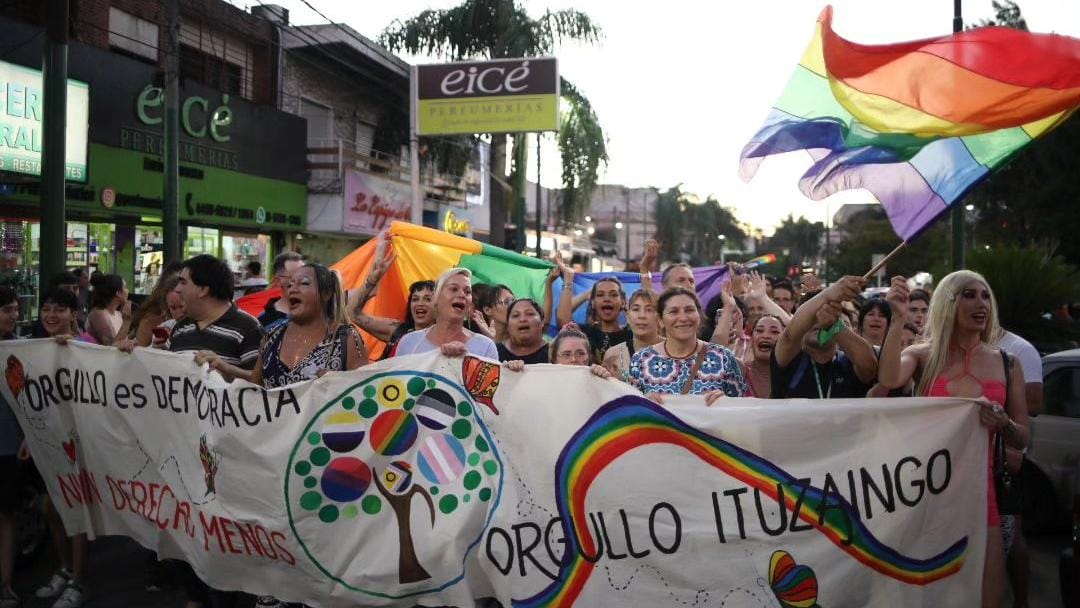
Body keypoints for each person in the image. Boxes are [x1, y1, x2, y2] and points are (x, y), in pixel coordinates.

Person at [877, 272, 1029, 608]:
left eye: (985, 296)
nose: (981, 304)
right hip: (926, 492)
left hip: (982, 493)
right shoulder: (922, 356)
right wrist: (898, 318)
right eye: (969, 295)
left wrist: (1003, 423)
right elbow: (887, 378)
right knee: (927, 593)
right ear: (948, 303)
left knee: (988, 596)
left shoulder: (1009, 363)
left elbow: (1022, 437)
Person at [33, 288, 91, 608]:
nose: (51, 315)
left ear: (73, 313)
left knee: (76, 511)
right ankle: (66, 568)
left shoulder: (86, 348)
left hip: (81, 442)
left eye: (59, 309)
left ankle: (79, 581)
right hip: (49, 440)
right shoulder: (36, 348)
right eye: (46, 309)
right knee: (51, 508)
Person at [628, 287, 749, 404]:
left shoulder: (723, 357)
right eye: (674, 312)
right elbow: (629, 413)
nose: (683, 318)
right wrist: (643, 403)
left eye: (689, 310)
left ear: (699, 315)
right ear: (660, 320)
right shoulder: (641, 360)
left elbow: (741, 412)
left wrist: (726, 402)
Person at [253, 263, 367, 388]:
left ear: (326, 294)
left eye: (304, 283)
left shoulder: (346, 338)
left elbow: (363, 393)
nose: (292, 289)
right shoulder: (271, 335)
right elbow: (254, 391)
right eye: (290, 285)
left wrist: (339, 385)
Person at [995, 329, 1043, 608]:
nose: (979, 304)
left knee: (1012, 537)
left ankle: (1021, 602)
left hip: (1009, 459)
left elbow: (1035, 402)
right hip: (972, 459)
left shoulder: (1018, 350)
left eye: (984, 297)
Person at [770, 277, 878, 399]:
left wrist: (834, 326)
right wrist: (829, 293)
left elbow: (870, 367)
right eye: (812, 317)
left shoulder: (848, 363)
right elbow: (789, 336)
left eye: (824, 314)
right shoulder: (788, 359)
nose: (819, 321)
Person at [168, 255, 263, 383]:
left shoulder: (248, 328)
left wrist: (227, 370)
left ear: (203, 290)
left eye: (183, 282)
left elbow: (262, 383)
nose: (177, 289)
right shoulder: (180, 327)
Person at [394, 268, 498, 359]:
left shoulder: (485, 347)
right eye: (454, 289)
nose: (462, 294)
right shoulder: (409, 342)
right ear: (436, 298)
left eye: (467, 292)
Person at [557, 261, 630, 364]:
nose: (607, 299)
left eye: (613, 295)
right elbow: (563, 318)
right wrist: (569, 278)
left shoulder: (632, 334)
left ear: (623, 302)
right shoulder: (584, 333)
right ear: (593, 303)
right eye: (600, 295)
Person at [0, 288, 21, 608]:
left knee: (5, 516)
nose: (15, 315)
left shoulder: (20, 347)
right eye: (7, 310)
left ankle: (5, 585)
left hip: (8, 445)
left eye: (16, 309)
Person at [603, 290, 661, 381]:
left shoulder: (673, 349)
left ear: (659, 318)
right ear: (628, 316)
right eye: (636, 309)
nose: (641, 316)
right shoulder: (613, 354)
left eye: (649, 310)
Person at [130, 274, 181, 347]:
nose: (179, 313)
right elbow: (141, 350)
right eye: (173, 308)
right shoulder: (162, 324)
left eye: (182, 307)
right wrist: (155, 347)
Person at [537, 327, 610, 378]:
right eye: (566, 355)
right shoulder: (543, 382)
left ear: (589, 357)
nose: (574, 359)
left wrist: (603, 379)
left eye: (580, 353)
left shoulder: (597, 378)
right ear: (554, 359)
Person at [259, 251, 304, 328]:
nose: (302, 282)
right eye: (295, 278)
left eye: (306, 277)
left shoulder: (316, 313)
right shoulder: (265, 321)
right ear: (278, 281)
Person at [496, 298, 548, 364]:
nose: (522, 319)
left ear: (542, 321)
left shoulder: (554, 353)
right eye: (515, 315)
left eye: (529, 314)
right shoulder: (494, 352)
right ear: (508, 325)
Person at [84, 274, 131, 346]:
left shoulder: (118, 314)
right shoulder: (98, 314)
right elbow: (112, 345)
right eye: (125, 287)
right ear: (118, 293)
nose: (127, 291)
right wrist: (126, 322)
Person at [745, 315, 784, 398]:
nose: (766, 336)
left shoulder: (794, 375)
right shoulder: (738, 370)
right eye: (759, 330)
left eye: (774, 332)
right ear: (751, 339)